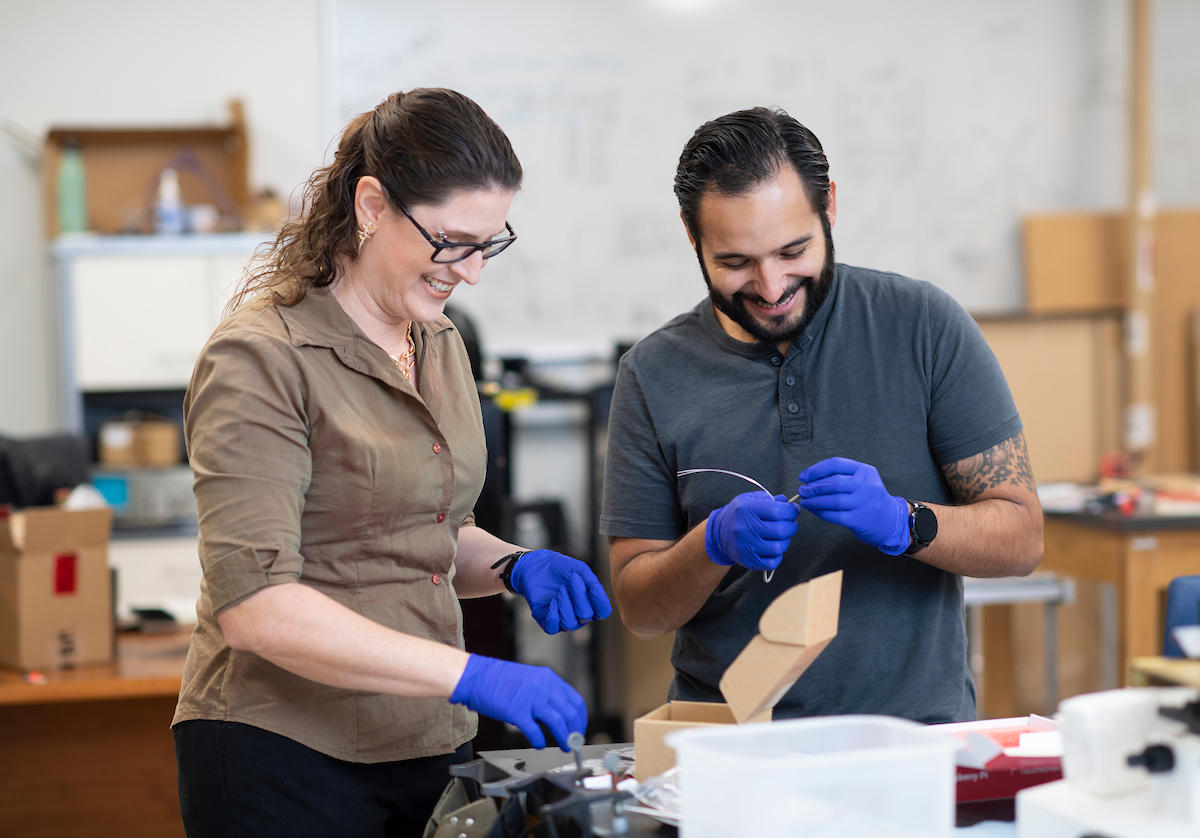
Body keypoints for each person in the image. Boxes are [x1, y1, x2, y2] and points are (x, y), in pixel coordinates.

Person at [172, 89, 611, 838]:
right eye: (452, 242)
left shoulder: (437, 342)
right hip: (282, 750)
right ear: (372, 205)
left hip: (428, 738)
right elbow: (257, 610)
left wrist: (512, 565)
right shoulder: (261, 358)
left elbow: (429, 530)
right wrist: (476, 675)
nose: (471, 273)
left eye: (488, 244)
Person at [601, 107, 1043, 725]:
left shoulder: (923, 327)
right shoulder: (652, 374)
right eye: (734, 263)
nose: (771, 284)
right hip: (728, 742)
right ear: (690, 233)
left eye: (793, 250)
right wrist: (710, 546)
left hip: (912, 738)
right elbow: (642, 610)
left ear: (829, 206)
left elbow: (1021, 539)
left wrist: (903, 522)